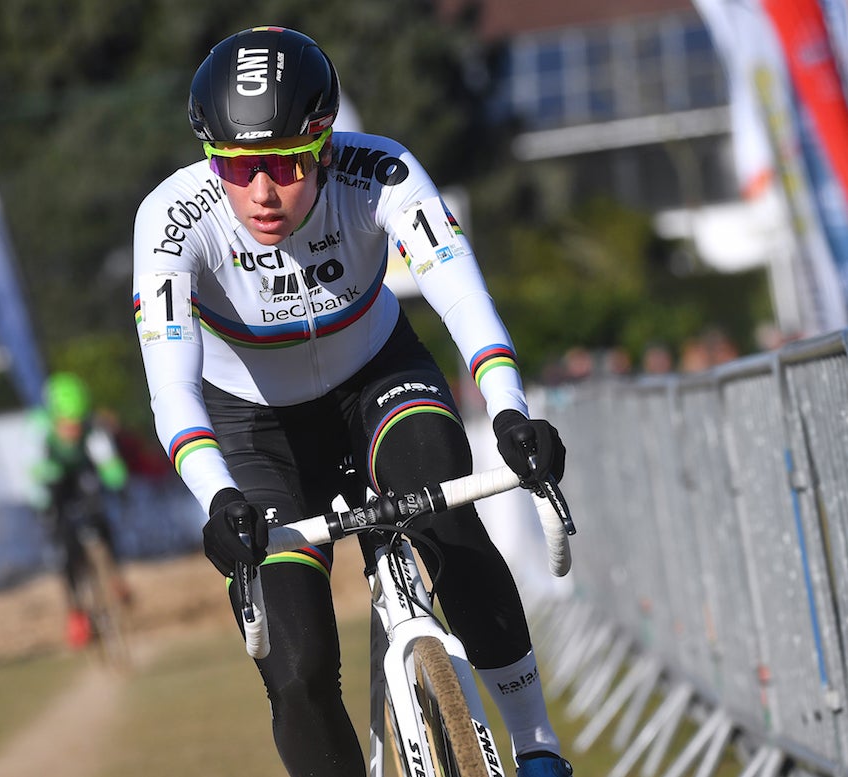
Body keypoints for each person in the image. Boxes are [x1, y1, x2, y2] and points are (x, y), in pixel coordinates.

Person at [131, 26, 572, 777]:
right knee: (298, 670)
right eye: (239, 169)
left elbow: (463, 299)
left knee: (445, 511)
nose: (262, 192)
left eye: (285, 164)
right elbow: (171, 383)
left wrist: (508, 409)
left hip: (379, 380)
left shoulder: (384, 172)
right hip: (254, 429)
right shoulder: (172, 220)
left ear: (326, 147)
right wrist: (219, 496)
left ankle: (537, 746)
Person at [32, 372, 132, 649]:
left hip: (84, 479)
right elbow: (35, 474)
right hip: (57, 483)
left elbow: (108, 463)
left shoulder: (93, 432)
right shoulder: (42, 433)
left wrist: (118, 483)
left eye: (77, 422)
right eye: (66, 423)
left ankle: (114, 576)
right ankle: (76, 611)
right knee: (63, 546)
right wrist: (43, 501)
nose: (72, 429)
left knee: (101, 517)